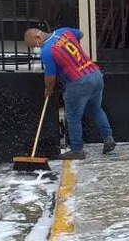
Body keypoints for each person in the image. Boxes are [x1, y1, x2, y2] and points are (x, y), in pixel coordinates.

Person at [24, 27, 116, 160]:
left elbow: (50, 77)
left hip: (78, 82)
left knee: (73, 116)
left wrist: (48, 89)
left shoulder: (47, 51)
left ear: (37, 38)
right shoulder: (64, 32)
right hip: (95, 74)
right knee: (96, 109)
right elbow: (81, 33)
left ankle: (77, 150)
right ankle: (108, 138)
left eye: (33, 45)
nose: (35, 48)